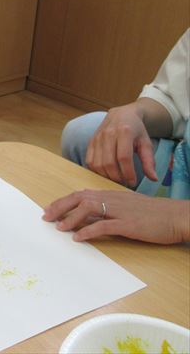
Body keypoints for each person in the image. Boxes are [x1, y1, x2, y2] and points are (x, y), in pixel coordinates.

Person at [44, 29, 189, 244]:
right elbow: (177, 99)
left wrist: (176, 218)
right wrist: (136, 112)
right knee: (87, 134)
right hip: (182, 174)